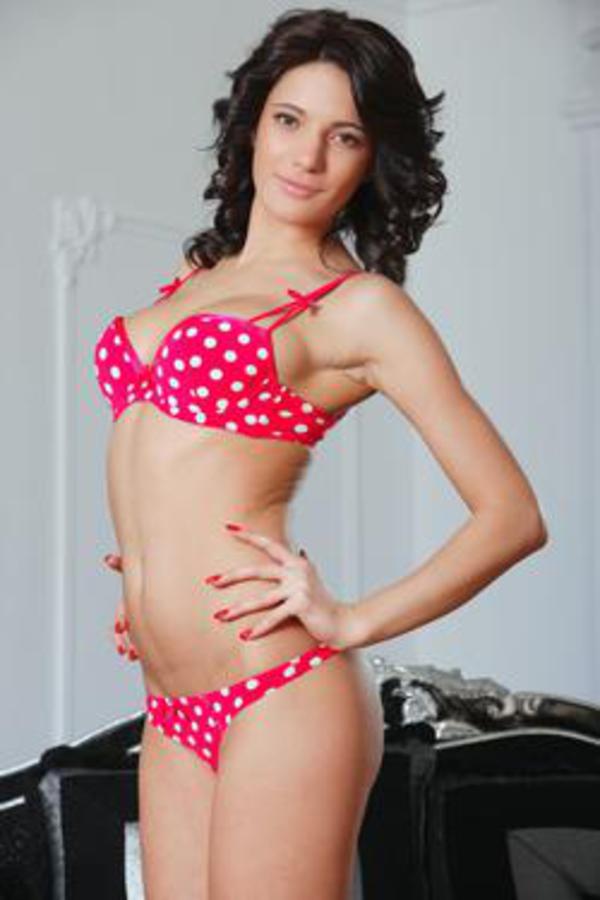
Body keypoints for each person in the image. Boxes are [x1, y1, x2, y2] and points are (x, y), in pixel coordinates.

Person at [94, 8, 548, 899]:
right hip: (171, 702)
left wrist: (351, 621)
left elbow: (513, 516)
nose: (306, 156)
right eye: (290, 120)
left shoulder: (359, 308)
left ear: (373, 159)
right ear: (252, 124)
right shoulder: (196, 277)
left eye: (344, 136)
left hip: (280, 691)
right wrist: (150, 573)